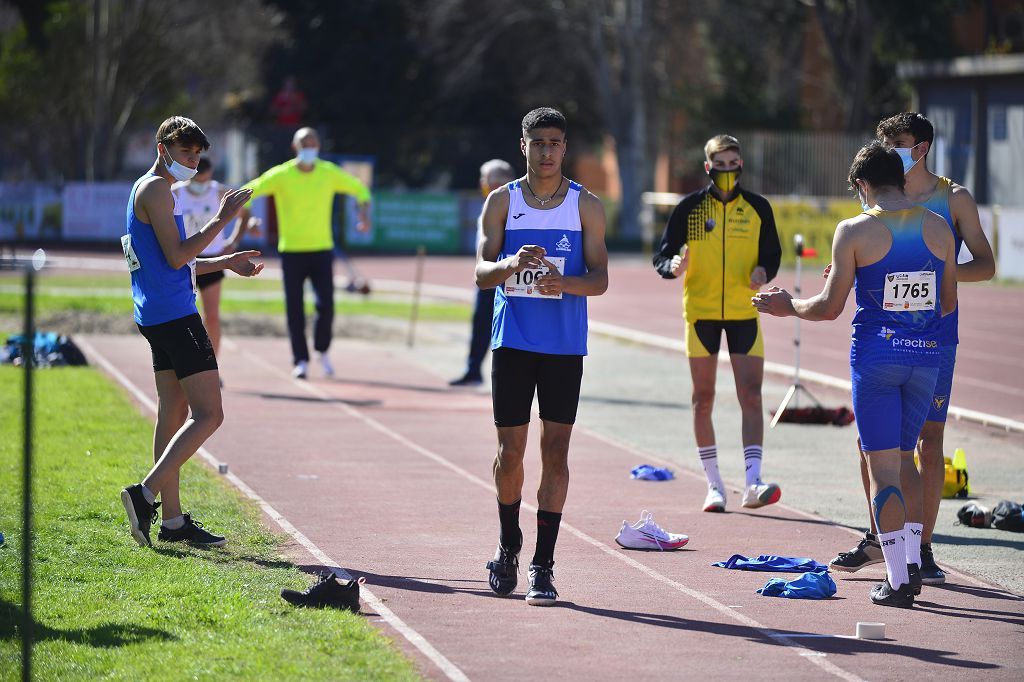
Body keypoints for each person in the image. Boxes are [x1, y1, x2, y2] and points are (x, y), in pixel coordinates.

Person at [754, 141, 957, 606]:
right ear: (902, 179)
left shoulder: (854, 230)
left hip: (877, 363)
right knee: (908, 461)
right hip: (925, 358)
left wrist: (789, 307)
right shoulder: (940, 228)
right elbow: (946, 302)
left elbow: (828, 308)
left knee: (881, 469)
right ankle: (911, 563)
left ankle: (900, 580)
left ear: (863, 185)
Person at [829, 113, 995, 585]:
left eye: (898, 142)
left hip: (936, 336)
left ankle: (922, 550)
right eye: (885, 143)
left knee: (926, 443)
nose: (891, 149)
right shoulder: (879, 205)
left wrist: (931, 271)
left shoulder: (952, 198)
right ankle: (882, 539)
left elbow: (985, 264)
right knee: (872, 447)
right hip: (890, 337)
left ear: (920, 148)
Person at [476, 107, 608, 606]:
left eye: (555, 143)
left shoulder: (586, 205)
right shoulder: (502, 202)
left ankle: (543, 564)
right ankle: (509, 543)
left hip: (563, 347)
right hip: (513, 341)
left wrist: (564, 283)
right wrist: (510, 263)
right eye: (539, 143)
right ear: (523, 146)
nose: (547, 152)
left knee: (556, 453)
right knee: (510, 454)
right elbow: (481, 272)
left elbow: (601, 278)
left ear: (565, 148)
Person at [119, 116, 263, 548]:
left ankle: (174, 521)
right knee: (210, 414)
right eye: (186, 153)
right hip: (175, 316)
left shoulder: (145, 189)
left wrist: (227, 261)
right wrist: (222, 218)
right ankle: (144, 495)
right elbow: (181, 255)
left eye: (198, 154)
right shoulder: (157, 188)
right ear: (162, 149)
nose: (193, 161)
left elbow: (174, 262)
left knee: (173, 412)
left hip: (157, 312)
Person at [652, 134, 782, 513]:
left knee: (752, 395)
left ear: (741, 165)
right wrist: (672, 266)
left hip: (744, 310)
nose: (727, 170)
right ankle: (714, 485)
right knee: (702, 398)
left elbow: (771, 254)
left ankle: (753, 481)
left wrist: (763, 271)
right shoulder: (690, 209)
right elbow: (663, 254)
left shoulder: (757, 208)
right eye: (719, 164)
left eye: (733, 163)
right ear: (708, 167)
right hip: (702, 312)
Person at [238, 127, 372, 379]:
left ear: (318, 147)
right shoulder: (282, 174)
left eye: (313, 144)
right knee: (295, 309)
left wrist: (363, 214)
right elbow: (247, 191)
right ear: (294, 147)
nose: (309, 148)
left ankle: (322, 350)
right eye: (304, 144)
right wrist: (251, 220)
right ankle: (300, 359)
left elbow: (361, 190)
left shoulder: (329, 173)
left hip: (322, 250)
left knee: (326, 306)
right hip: (291, 251)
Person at [172, 157, 259, 360]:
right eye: (197, 180)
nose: (201, 184)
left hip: (213, 259)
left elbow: (245, 213)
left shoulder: (220, 192)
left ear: (210, 174)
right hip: (184, 258)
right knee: (181, 316)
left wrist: (234, 241)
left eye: (204, 180)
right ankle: (183, 363)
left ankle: (213, 365)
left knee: (211, 316)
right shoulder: (175, 192)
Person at [450, 159, 517, 387]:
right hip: (488, 276)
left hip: (505, 279)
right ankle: (473, 370)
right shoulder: (489, 205)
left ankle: (510, 379)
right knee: (480, 324)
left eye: (485, 179)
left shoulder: (514, 208)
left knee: (505, 329)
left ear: (497, 181)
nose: (481, 184)